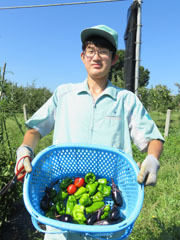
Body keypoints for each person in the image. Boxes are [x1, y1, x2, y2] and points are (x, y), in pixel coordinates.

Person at [15, 25, 164, 240]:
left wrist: (152, 159)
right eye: (91, 50)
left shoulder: (126, 99)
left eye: (103, 51)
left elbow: (153, 139)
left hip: (109, 200)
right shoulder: (64, 94)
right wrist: (25, 150)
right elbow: (35, 129)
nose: (97, 56)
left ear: (113, 60)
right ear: (83, 56)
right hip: (65, 194)